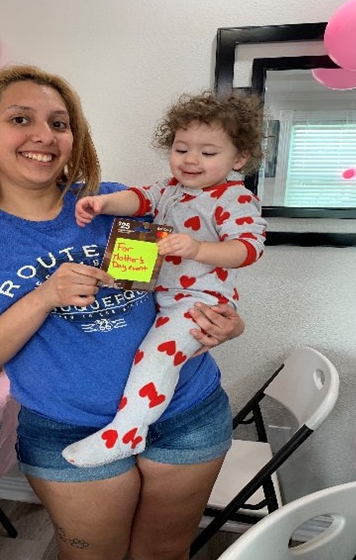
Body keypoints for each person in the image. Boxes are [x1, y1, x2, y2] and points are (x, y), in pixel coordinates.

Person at [0, 65, 246, 560]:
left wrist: (225, 322)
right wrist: (42, 296)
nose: (44, 136)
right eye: (21, 119)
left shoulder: (119, 205)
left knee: (165, 551)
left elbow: (187, 277)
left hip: (186, 410)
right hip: (68, 426)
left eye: (59, 123)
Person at [63, 90, 267, 469]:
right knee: (132, 331)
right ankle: (128, 426)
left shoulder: (234, 198)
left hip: (199, 301)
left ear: (239, 158)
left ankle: (127, 432)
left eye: (208, 153)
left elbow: (249, 248)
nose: (191, 160)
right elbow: (138, 199)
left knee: (158, 355)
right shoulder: (168, 189)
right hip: (160, 293)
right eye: (181, 148)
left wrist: (196, 248)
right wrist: (103, 203)